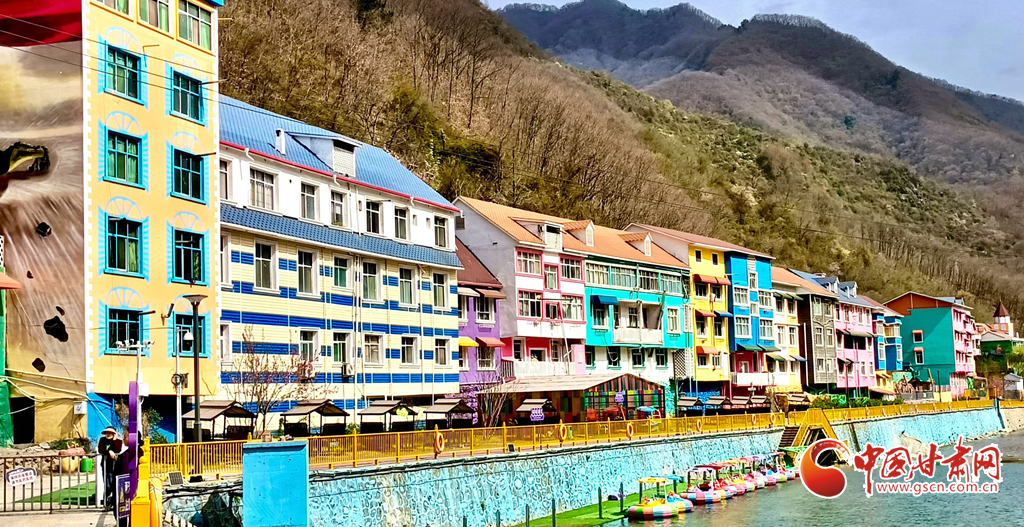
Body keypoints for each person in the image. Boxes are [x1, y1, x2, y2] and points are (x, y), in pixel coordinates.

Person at [97, 426, 126, 510]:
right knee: (107, 485)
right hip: (106, 465)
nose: (108, 434)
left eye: (110, 433)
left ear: (114, 434)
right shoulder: (102, 440)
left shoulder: (118, 441)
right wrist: (109, 451)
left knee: (114, 485)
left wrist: (114, 440)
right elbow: (101, 450)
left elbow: (117, 449)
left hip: (115, 466)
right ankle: (107, 503)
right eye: (107, 433)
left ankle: (113, 502)